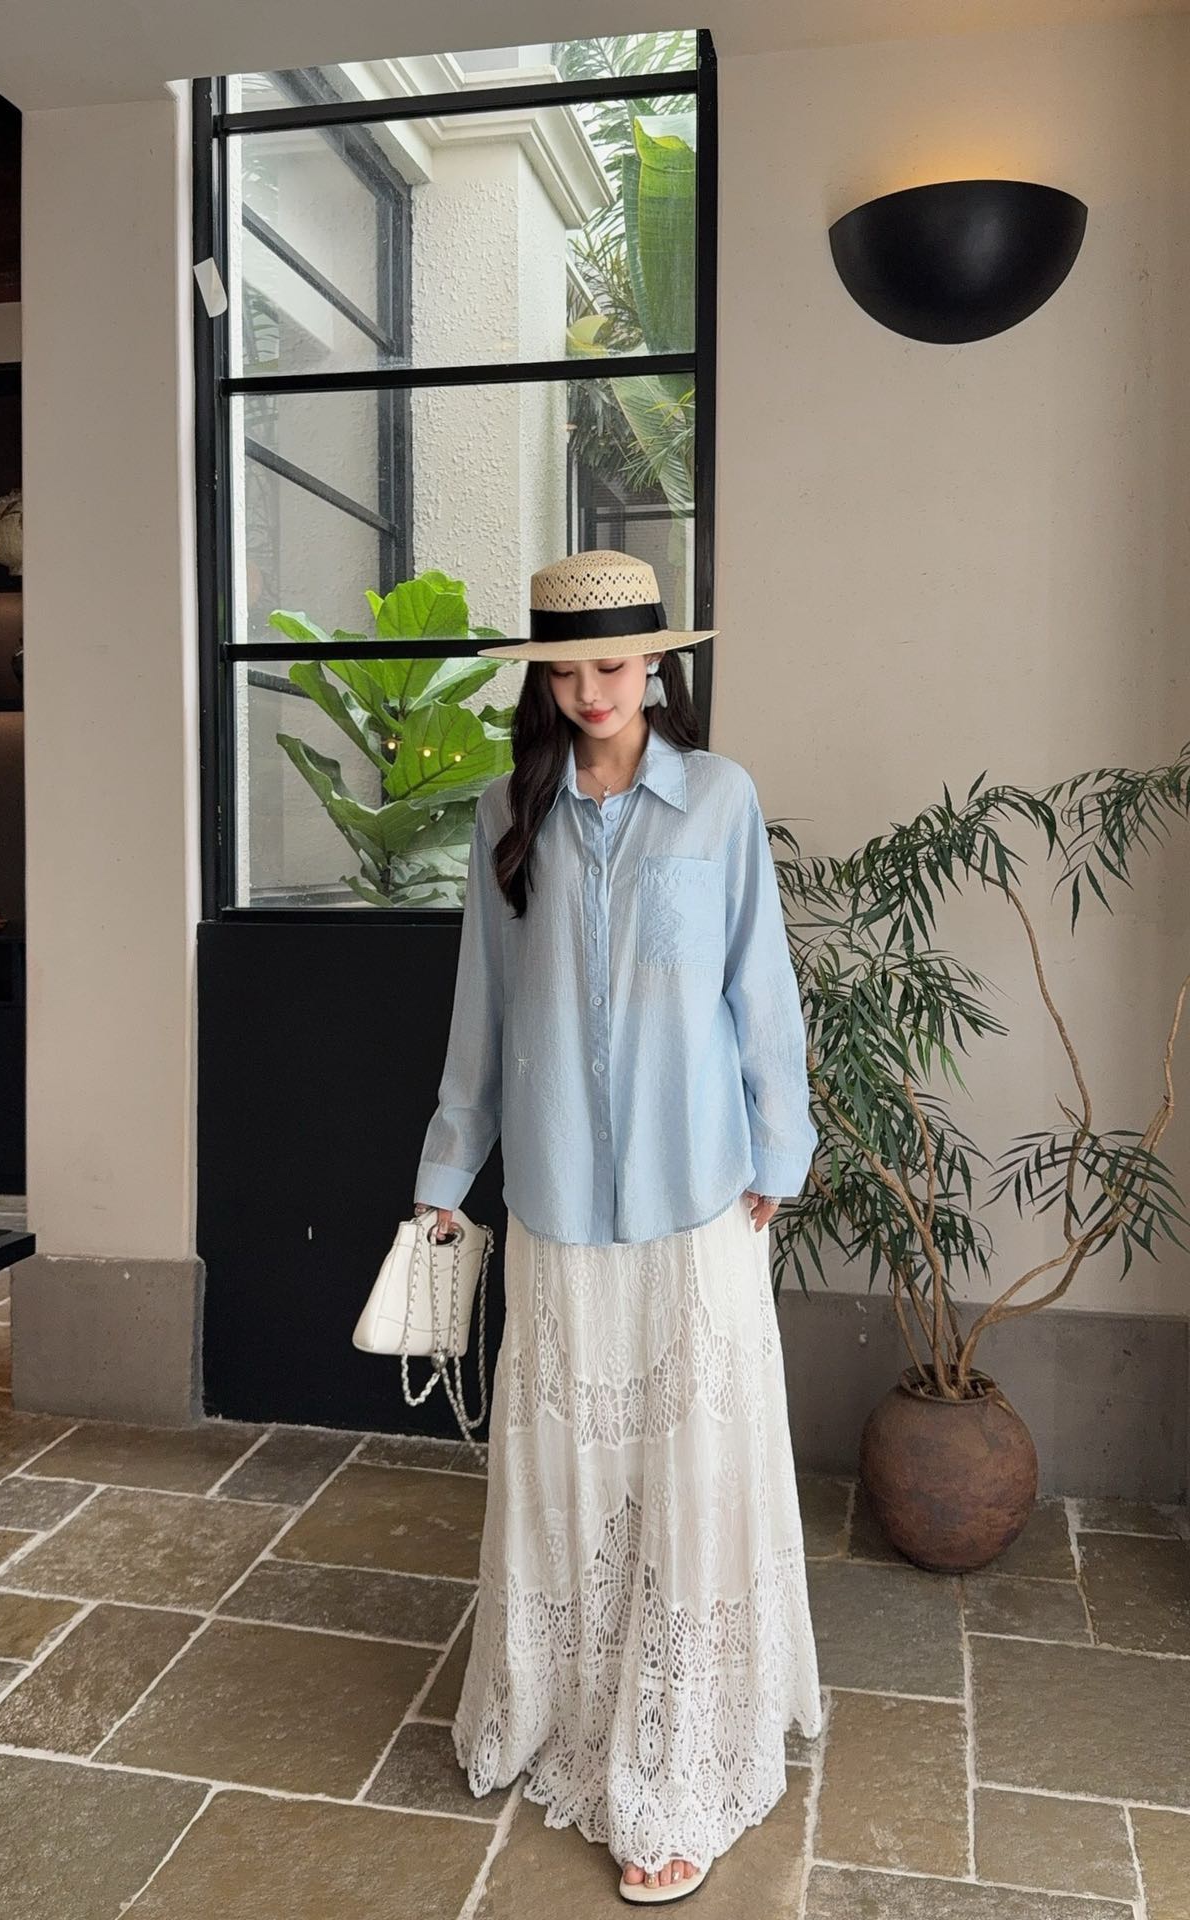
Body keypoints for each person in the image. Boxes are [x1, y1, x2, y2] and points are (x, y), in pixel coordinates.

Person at [411, 549, 821, 1904]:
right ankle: (571, 1711)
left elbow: (760, 989)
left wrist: (781, 1146)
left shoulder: (719, 800)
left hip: (697, 1199)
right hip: (557, 1205)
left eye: (614, 664)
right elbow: (481, 1013)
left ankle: (677, 1759)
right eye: (567, 671)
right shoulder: (504, 815)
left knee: (688, 1473)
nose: (592, 692)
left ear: (655, 665)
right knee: (574, 1477)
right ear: (543, 680)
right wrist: (447, 1168)